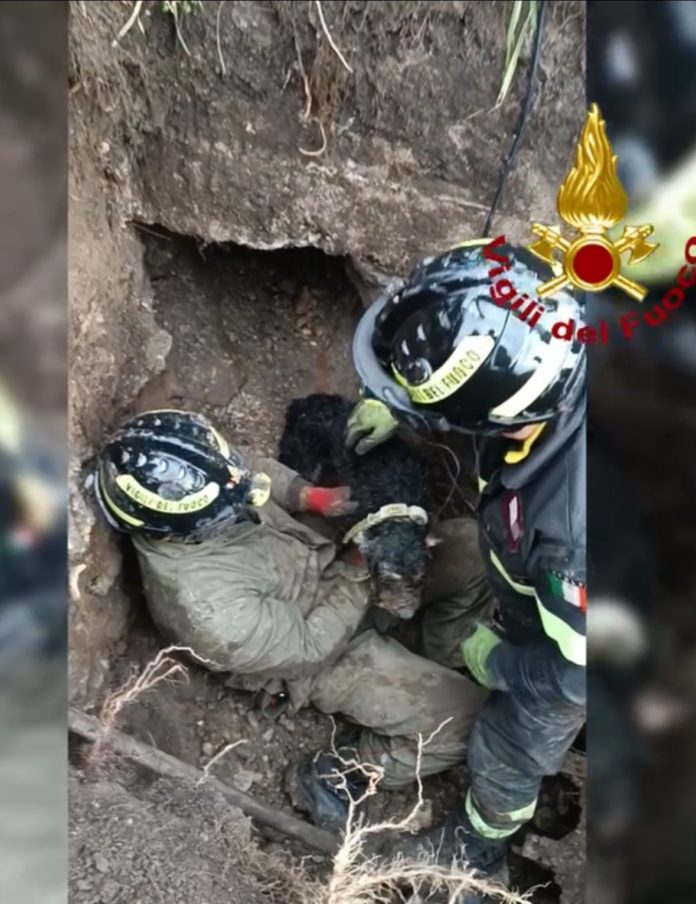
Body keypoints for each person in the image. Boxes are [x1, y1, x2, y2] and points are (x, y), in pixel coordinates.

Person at [91, 409, 490, 830]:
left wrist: (310, 497)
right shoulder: (207, 609)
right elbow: (310, 649)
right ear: (180, 530)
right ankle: (342, 775)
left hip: (320, 559)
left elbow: (247, 472)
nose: (245, 498)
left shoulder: (199, 477)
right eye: (229, 510)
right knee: (469, 721)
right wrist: (364, 563)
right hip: (319, 650)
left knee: (473, 547)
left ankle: (443, 656)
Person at [336, 239, 586, 898]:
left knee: (509, 741)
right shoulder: (568, 328)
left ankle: (476, 846)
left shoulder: (575, 537)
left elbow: (582, 675)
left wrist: (498, 663)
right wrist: (401, 401)